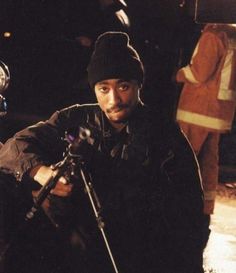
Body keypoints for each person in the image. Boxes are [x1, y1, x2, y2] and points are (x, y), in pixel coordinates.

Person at [0, 31, 205, 273]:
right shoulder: (76, 118)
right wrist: (42, 173)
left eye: (124, 86)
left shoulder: (164, 135)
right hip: (79, 249)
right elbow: (14, 147)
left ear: (139, 85)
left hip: (138, 253)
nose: (114, 99)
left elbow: (190, 216)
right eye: (103, 89)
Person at [175, 23, 236, 246]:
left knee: (186, 161)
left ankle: (182, 208)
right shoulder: (232, 35)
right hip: (219, 113)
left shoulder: (213, 35)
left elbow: (199, 72)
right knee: (209, 165)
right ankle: (204, 208)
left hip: (197, 110)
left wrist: (177, 73)